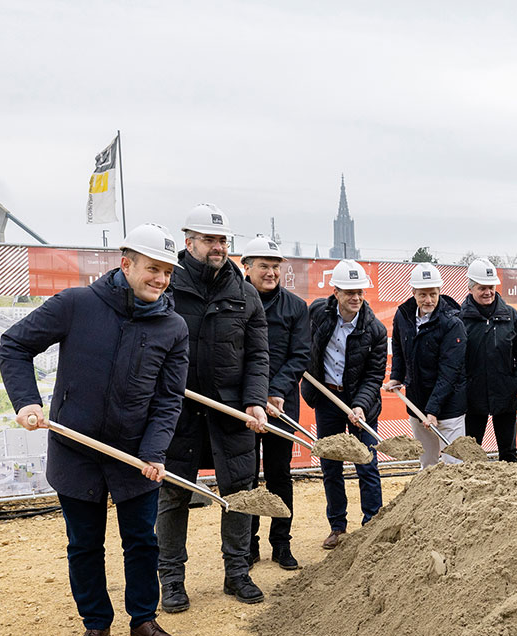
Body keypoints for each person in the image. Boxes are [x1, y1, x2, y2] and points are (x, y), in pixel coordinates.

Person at [0, 224, 188, 636]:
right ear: (126, 264)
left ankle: (143, 620)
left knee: (142, 541)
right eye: (152, 269)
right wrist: (27, 401)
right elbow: (14, 345)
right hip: (75, 450)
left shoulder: (173, 327)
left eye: (167, 272)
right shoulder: (77, 304)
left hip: (134, 454)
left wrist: (154, 452)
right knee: (85, 544)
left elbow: (167, 401)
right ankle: (95, 626)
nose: (160, 279)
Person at [157, 204, 269, 610]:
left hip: (231, 411)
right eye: (209, 240)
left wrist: (255, 400)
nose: (218, 247)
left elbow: (258, 356)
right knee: (172, 495)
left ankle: (237, 573)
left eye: (222, 240)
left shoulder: (245, 294)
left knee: (240, 492)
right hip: (178, 412)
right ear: (189, 242)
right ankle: (171, 579)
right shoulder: (168, 288)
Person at [301, 259, 388, 549]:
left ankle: (372, 524)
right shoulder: (318, 314)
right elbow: (302, 343)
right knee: (330, 464)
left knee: (366, 464)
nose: (356, 298)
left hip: (361, 401)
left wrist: (361, 405)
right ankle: (337, 527)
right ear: (335, 292)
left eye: (360, 292)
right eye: (349, 292)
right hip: (327, 398)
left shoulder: (375, 330)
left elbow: (374, 374)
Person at [242, 236, 309, 570]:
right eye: (263, 266)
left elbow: (300, 355)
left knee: (280, 475)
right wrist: (253, 395)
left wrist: (277, 390)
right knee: (246, 476)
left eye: (275, 267)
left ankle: (281, 544)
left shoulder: (295, 307)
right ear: (247, 266)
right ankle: (247, 545)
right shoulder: (234, 301)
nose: (270, 272)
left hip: (281, 406)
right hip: (243, 406)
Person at [385, 262, 468, 468]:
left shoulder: (452, 323)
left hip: (449, 405)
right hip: (417, 400)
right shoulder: (403, 315)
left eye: (433, 294)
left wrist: (433, 409)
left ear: (440, 291)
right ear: (413, 292)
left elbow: (449, 371)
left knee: (454, 464)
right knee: (427, 464)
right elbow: (398, 345)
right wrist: (397, 375)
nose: (428, 300)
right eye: (422, 294)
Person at [459, 259, 517, 462]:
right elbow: (455, 359)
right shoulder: (460, 319)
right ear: (471, 288)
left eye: (491, 287)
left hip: (505, 394)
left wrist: (516, 383)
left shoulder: (510, 315)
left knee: (508, 454)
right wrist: (464, 388)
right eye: (482, 288)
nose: (488, 292)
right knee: (471, 455)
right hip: (472, 398)